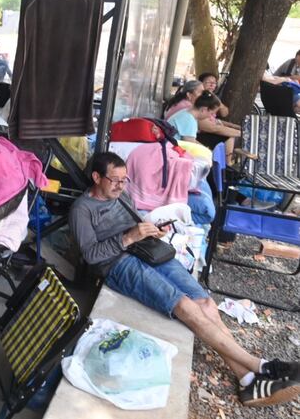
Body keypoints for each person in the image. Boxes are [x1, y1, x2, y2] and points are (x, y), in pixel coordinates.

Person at [69, 151, 300, 407]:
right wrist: (129, 237)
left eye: (125, 180)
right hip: (118, 264)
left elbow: (134, 222)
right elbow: (91, 256)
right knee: (185, 307)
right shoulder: (82, 210)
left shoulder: (122, 194)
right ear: (96, 177)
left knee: (207, 304)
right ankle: (264, 366)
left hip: (147, 250)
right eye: (114, 180)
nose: (121, 185)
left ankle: (247, 379)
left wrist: (153, 228)